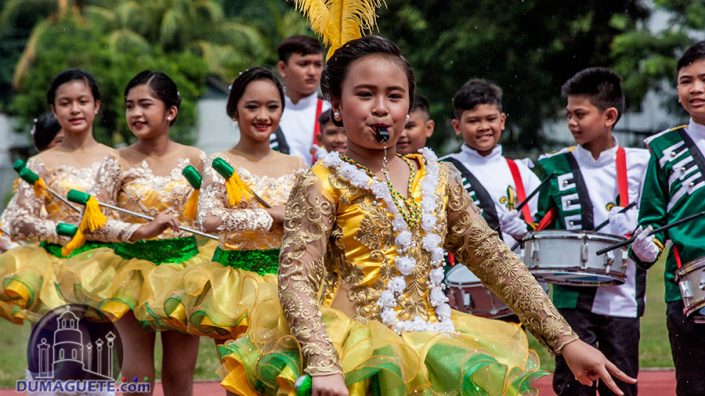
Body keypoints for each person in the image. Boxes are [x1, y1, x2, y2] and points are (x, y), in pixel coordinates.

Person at [217, 36, 635, 396]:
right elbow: (296, 278)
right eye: (365, 95)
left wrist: (565, 341)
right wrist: (323, 360)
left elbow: (495, 259)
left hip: (437, 348)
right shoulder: (322, 181)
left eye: (394, 96)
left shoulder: (439, 177)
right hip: (354, 360)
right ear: (338, 108)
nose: (381, 109)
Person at [58, 70, 207, 395]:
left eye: (145, 105)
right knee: (137, 378)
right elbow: (94, 223)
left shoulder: (195, 158)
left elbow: (213, 211)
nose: (135, 114)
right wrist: (140, 230)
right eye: (129, 106)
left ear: (170, 112)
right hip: (131, 274)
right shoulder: (115, 161)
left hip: (184, 272)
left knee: (179, 377)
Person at [504, 67, 648, 396]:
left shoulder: (642, 163)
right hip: (570, 295)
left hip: (623, 297)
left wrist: (644, 233)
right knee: (572, 385)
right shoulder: (554, 166)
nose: (571, 122)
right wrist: (519, 229)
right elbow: (538, 223)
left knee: (622, 384)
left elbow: (654, 220)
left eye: (580, 114)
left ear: (609, 115)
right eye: (568, 114)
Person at [181, 67, 305, 344]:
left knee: (284, 373)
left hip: (287, 281)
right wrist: (269, 216)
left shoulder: (296, 165)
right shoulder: (219, 163)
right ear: (234, 112)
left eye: (272, 107)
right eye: (252, 107)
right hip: (234, 285)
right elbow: (209, 220)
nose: (263, 116)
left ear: (281, 112)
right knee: (238, 376)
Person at [0, 69, 117, 324]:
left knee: (104, 356)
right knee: (66, 354)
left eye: (82, 101)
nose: (75, 109)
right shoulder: (39, 164)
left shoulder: (117, 159)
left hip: (109, 273)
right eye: (65, 103)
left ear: (96, 106)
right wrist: (63, 230)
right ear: (54, 110)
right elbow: (18, 222)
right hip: (56, 271)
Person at [630, 40, 705, 396]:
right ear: (677, 91)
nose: (696, 89)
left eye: (704, 78)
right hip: (688, 293)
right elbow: (651, 222)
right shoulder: (664, 150)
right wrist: (644, 247)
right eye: (686, 80)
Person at [270, 35, 329, 165]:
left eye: (318, 64)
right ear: (282, 68)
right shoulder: (266, 114)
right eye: (304, 64)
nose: (312, 72)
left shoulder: (334, 113)